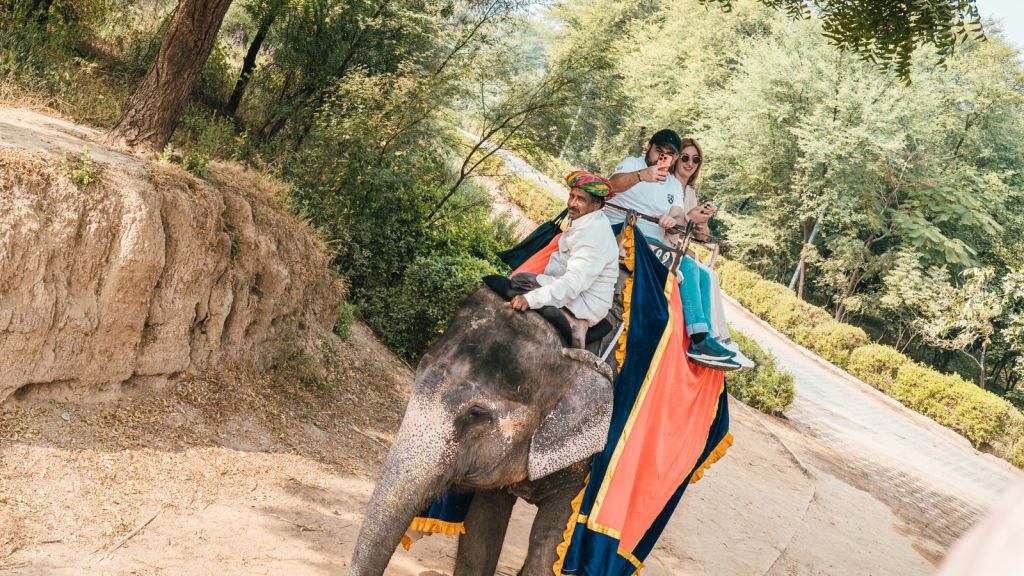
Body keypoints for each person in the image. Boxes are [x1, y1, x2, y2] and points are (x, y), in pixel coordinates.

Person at [607, 132, 739, 370]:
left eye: (669, 154)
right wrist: (642, 175)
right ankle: (699, 339)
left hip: (655, 244)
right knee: (687, 265)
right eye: (659, 151)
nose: (663, 157)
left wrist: (674, 219)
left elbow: (678, 215)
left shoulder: (673, 185)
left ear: (674, 157)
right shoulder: (633, 164)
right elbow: (611, 186)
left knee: (703, 272)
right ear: (650, 147)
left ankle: (708, 335)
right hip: (627, 234)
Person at [491, 171, 619, 349]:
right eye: (572, 196)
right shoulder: (586, 221)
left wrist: (532, 299)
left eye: (580, 199)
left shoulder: (594, 236)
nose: (572, 204)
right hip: (572, 288)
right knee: (520, 279)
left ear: (596, 204)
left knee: (520, 285)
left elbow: (574, 283)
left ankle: (575, 322)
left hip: (584, 301)